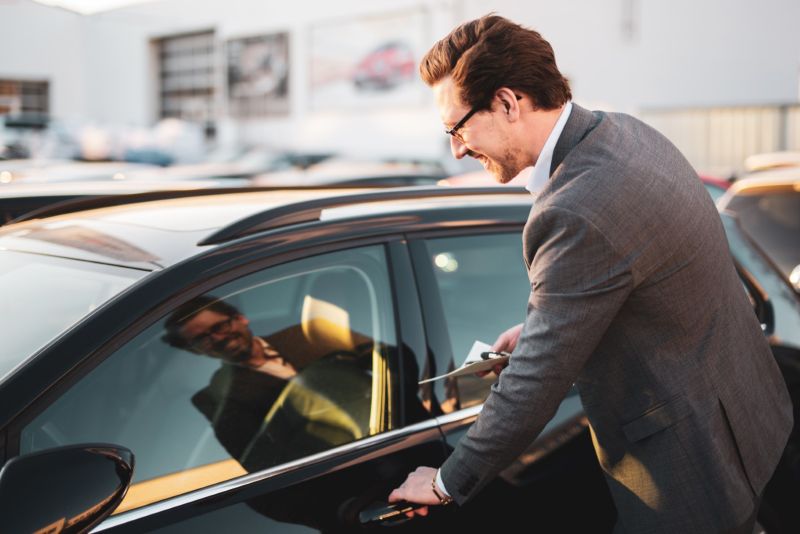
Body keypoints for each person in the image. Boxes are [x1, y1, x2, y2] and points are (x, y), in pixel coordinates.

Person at [388, 14, 793, 533]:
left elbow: (536, 380)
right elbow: (624, 279)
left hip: (689, 471)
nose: (457, 149)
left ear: (509, 103)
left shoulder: (575, 207)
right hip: (742, 422)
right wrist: (538, 329)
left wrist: (447, 480)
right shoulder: (626, 133)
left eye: (457, 127)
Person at [163, 296, 297, 467]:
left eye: (220, 327)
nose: (218, 339)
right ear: (195, 351)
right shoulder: (217, 398)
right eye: (201, 339)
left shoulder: (306, 333)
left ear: (241, 318)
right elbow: (261, 462)